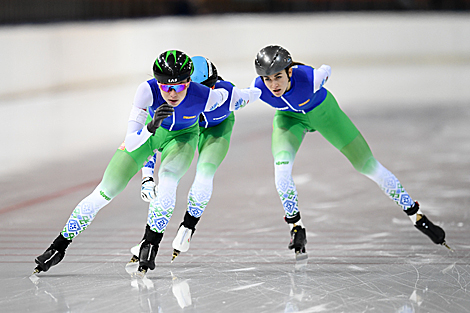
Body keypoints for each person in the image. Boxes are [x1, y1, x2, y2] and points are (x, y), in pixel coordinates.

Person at [33, 50, 229, 275]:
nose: (173, 93)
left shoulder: (205, 95)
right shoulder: (146, 90)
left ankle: (150, 245)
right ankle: (58, 247)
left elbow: (237, 97)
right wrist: (150, 130)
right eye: (166, 87)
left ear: (189, 83)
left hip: (183, 138)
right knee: (104, 192)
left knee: (168, 182)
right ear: (157, 83)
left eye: (180, 87)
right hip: (149, 133)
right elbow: (133, 142)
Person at [252, 45, 450, 260]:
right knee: (281, 171)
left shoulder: (310, 79)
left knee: (367, 165)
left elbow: (326, 69)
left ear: (289, 71)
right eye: (267, 79)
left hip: (324, 114)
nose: (273, 85)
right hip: (289, 119)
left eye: (278, 77)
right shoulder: (258, 89)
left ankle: (417, 216)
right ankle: (296, 228)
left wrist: (320, 72)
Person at [133, 56, 261, 264]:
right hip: (187, 131)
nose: (201, 98)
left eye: (207, 90)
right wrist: (147, 176)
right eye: (194, 91)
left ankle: (188, 227)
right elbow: (151, 142)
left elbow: (255, 93)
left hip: (217, 129)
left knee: (204, 173)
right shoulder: (169, 100)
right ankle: (149, 239)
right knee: (167, 179)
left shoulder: (228, 96)